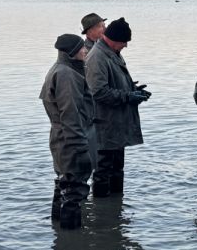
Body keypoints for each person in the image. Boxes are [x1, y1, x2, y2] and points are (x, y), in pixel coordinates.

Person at [86, 17, 149, 198]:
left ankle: (115, 209)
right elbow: (98, 92)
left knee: (116, 169)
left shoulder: (112, 52)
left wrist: (134, 90)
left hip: (116, 125)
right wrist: (128, 97)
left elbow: (114, 82)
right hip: (104, 125)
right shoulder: (97, 57)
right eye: (124, 42)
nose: (126, 46)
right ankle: (102, 210)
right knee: (103, 171)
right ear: (113, 39)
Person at [41, 33, 97, 229]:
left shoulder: (61, 69)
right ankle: (72, 239)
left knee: (63, 186)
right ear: (72, 52)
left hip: (61, 140)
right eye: (82, 48)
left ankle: (60, 235)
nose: (86, 50)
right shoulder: (66, 74)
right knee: (74, 191)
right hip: (69, 142)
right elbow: (70, 115)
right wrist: (80, 148)